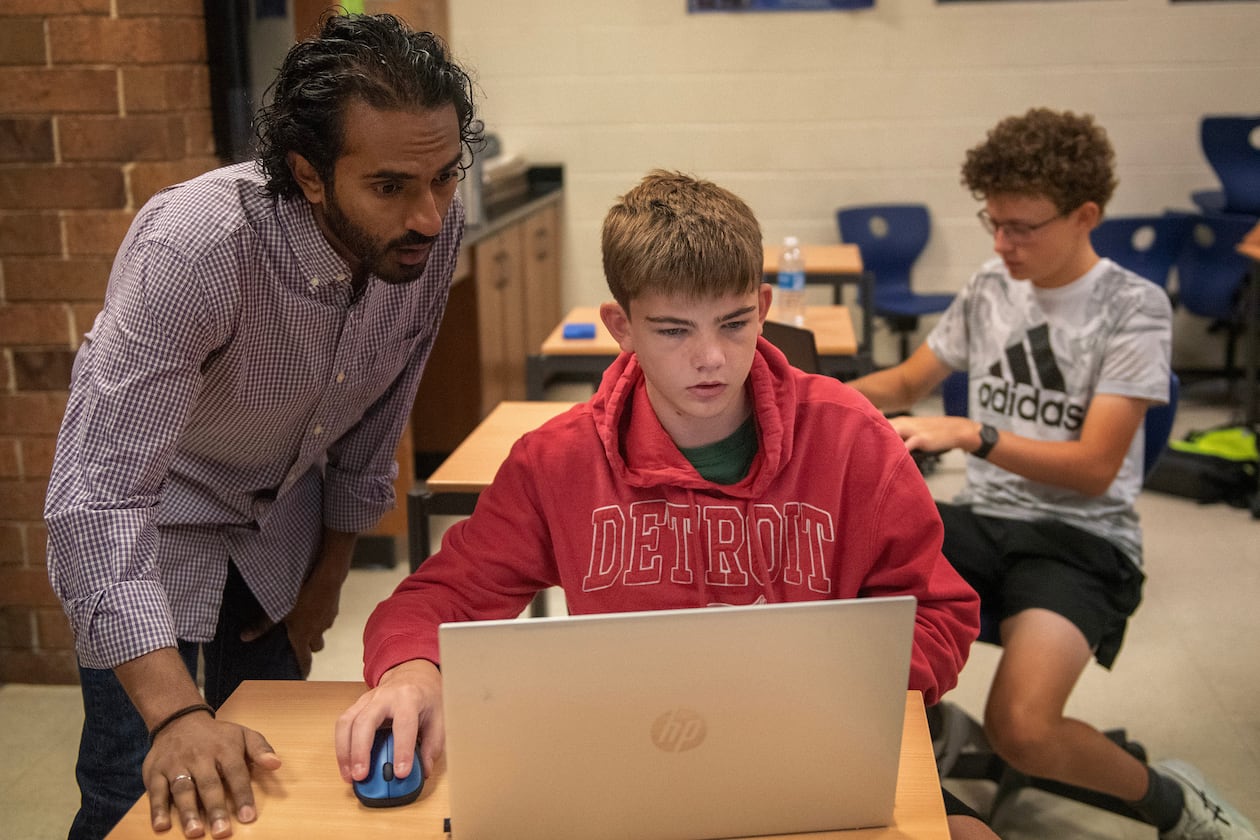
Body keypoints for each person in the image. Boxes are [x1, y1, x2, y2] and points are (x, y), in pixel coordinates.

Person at [334, 169, 996, 837]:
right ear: (621, 327)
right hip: (641, 774)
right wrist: (411, 673)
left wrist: (842, 698)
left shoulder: (852, 438)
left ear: (763, 306)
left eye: (735, 324)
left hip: (803, 762)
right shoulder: (558, 462)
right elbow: (435, 599)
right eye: (674, 331)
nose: (710, 358)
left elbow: (940, 610)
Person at [43, 13, 483, 840]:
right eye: (390, 186)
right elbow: (96, 495)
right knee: (143, 800)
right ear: (309, 176)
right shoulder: (198, 245)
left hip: (281, 538)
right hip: (155, 536)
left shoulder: (429, 232)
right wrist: (175, 716)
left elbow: (379, 413)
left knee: (280, 791)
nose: (428, 215)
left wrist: (328, 577)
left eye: (446, 177)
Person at [850, 108, 1258, 840]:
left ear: (1085, 215)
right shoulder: (990, 284)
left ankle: (1177, 806)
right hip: (985, 521)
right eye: (993, 222)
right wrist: (790, 392)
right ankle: (929, 737)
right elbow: (908, 381)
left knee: (1025, 730)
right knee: (837, 584)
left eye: (1023, 227)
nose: (1003, 243)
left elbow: (1095, 469)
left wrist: (973, 433)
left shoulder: (1133, 308)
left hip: (1079, 538)